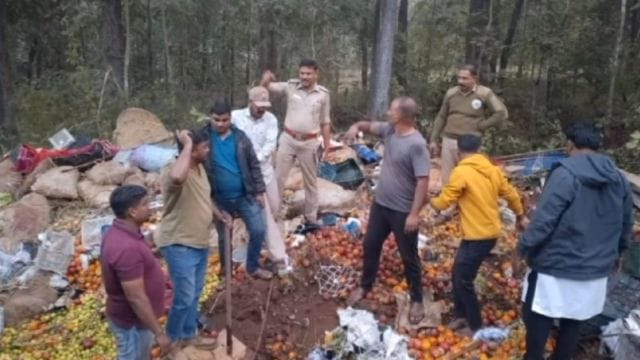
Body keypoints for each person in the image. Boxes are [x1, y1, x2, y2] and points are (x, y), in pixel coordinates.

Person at [518, 122, 634, 360]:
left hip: (555, 266)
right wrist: (618, 253)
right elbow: (626, 224)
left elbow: (543, 221)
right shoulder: (619, 179)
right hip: (593, 270)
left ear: (569, 145)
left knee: (536, 317)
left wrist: (521, 249)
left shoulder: (566, 174)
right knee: (573, 323)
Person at [343, 97, 430, 324]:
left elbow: (423, 181)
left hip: (402, 211)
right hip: (381, 205)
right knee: (370, 244)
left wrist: (414, 214)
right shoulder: (390, 131)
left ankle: (417, 299)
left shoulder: (417, 144)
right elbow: (366, 125)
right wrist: (354, 127)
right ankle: (365, 285)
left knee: (409, 256)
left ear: (402, 115)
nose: (388, 112)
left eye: (392, 110)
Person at [430, 134, 525, 336]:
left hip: (477, 236)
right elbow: (511, 194)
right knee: (457, 273)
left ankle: (475, 326)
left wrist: (432, 203)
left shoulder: (461, 171)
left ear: (458, 152)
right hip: (487, 234)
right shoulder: (493, 171)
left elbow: (446, 199)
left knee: (464, 280)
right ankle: (460, 315)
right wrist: (519, 214)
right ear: (479, 149)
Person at [156, 129, 217, 350]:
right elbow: (177, 177)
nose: (209, 151)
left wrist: (220, 215)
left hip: (199, 242)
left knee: (195, 293)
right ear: (191, 151)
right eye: (205, 147)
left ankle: (189, 334)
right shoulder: (173, 171)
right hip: (179, 243)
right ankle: (171, 341)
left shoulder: (200, 169)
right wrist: (188, 144)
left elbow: (204, 198)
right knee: (184, 296)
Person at [203, 100, 273, 280]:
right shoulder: (203, 138)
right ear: (210, 117)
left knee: (258, 230)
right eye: (216, 120)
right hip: (219, 198)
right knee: (224, 236)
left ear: (230, 119)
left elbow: (254, 165)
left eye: (224, 120)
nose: (220, 124)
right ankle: (226, 272)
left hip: (244, 195)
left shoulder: (241, 138)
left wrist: (259, 192)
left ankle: (252, 266)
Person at [101, 185, 171, 359]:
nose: (150, 207)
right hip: (132, 324)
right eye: (145, 204)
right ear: (132, 211)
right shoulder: (126, 248)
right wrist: (159, 333)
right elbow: (136, 297)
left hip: (138, 323)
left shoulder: (122, 233)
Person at [261, 58, 332, 225]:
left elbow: (325, 121)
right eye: (302, 73)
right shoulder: (290, 86)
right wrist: (266, 77)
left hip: (309, 143)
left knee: (311, 182)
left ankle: (311, 217)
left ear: (316, 73)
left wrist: (327, 145)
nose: (304, 77)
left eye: (308, 73)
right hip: (288, 139)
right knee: (278, 178)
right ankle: (273, 215)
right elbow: (267, 87)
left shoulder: (323, 94)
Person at [232, 86, 289, 275]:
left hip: (265, 171)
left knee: (274, 206)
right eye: (258, 106)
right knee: (265, 214)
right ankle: (279, 256)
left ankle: (254, 238)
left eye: (265, 105)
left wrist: (253, 157)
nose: (262, 109)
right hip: (246, 175)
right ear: (250, 103)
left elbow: (270, 145)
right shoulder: (235, 118)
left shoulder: (271, 120)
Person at [430, 64, 508, 184]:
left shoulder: (484, 93)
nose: (460, 81)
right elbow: (441, 116)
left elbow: (501, 112)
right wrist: (434, 139)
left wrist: (483, 125)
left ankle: (468, 202)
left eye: (465, 78)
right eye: (459, 78)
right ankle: (450, 202)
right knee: (448, 178)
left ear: (475, 79)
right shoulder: (451, 93)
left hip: (470, 142)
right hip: (449, 140)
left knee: (470, 177)